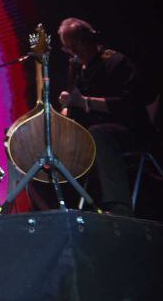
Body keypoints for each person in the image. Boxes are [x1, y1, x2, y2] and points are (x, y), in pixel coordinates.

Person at [56, 17, 150, 215]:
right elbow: (78, 106)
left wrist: (85, 102)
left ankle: (119, 207)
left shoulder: (116, 62)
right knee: (52, 142)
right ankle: (60, 209)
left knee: (99, 133)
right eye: (67, 49)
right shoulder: (81, 69)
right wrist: (68, 110)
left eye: (71, 47)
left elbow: (130, 104)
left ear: (84, 42)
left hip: (130, 132)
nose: (71, 54)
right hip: (98, 134)